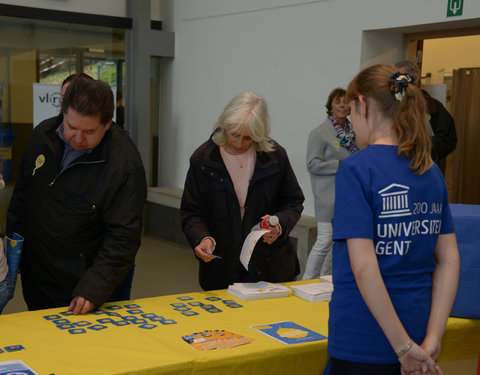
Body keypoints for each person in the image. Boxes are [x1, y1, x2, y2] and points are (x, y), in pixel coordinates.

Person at [327, 65, 460, 375]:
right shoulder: (429, 169)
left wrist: (403, 348)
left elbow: (364, 266)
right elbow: (450, 260)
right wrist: (432, 339)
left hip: (365, 337)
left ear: (363, 105)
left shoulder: (357, 169)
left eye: (351, 110)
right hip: (419, 329)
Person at [6, 77, 147, 314]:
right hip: (38, 275)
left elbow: (123, 237)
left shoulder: (124, 165)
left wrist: (93, 288)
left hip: (81, 286)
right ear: (63, 113)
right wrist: (14, 243)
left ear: (108, 124)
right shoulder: (43, 135)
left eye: (89, 132)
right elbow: (22, 194)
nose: (78, 139)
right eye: (71, 127)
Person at [180, 91, 304, 291]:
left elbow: (293, 201)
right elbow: (191, 211)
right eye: (234, 135)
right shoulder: (203, 160)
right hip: (222, 269)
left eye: (248, 138)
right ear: (224, 126)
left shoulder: (275, 156)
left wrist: (279, 226)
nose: (239, 143)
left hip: (270, 267)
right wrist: (202, 238)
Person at [302, 88, 359, 280]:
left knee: (337, 243)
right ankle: (307, 280)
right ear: (330, 106)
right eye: (337, 102)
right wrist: (340, 165)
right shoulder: (319, 132)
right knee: (324, 240)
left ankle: (325, 280)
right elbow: (312, 164)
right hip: (328, 197)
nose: (342, 105)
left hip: (347, 196)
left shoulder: (354, 132)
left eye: (345, 101)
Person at [396, 61, 457, 172]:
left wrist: (422, 151)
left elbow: (448, 140)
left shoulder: (433, 107)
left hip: (423, 168)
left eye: (401, 77)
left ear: (414, 78)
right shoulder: (391, 104)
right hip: (395, 167)